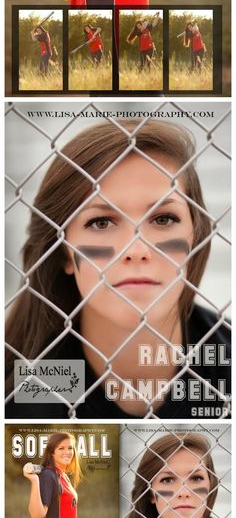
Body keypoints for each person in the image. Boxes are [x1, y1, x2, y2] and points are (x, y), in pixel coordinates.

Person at [5, 119, 230, 419]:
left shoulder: (227, 359)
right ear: (64, 253)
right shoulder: (33, 388)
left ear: (196, 237)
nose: (136, 251)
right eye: (101, 222)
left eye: (163, 219)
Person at [120, 432, 231, 518]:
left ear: (211, 487)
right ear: (150, 493)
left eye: (196, 478)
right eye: (167, 480)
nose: (183, 493)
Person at [23, 432, 80, 518]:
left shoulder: (63, 476)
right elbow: (36, 515)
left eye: (70, 448)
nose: (67, 452)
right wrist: (35, 480)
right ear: (51, 453)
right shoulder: (48, 475)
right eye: (61, 448)